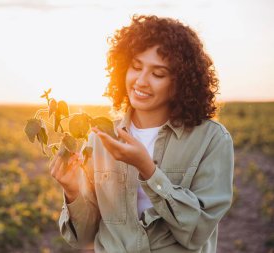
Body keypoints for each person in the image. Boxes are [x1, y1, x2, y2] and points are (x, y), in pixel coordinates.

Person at [49, 14, 234, 253]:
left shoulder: (211, 139)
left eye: (158, 74)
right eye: (136, 67)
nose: (141, 81)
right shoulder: (100, 136)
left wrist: (148, 171)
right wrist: (73, 190)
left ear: (182, 82)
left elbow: (198, 232)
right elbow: (84, 238)